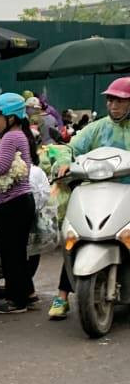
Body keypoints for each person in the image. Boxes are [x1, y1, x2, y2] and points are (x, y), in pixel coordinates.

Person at [48, 76, 130, 319]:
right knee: (80, 236)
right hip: (98, 193)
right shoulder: (98, 127)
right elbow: (70, 147)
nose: (113, 106)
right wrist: (63, 162)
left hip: (127, 194)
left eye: (120, 101)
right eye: (110, 100)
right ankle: (62, 296)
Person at [0, 93, 38, 315]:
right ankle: (29, 294)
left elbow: (0, 168)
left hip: (13, 203)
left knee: (11, 253)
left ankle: (16, 301)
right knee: (17, 251)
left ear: (11, 117)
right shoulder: (20, 135)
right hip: (22, 202)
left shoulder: (10, 138)